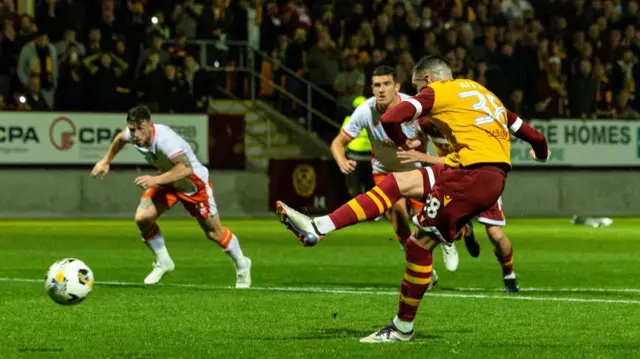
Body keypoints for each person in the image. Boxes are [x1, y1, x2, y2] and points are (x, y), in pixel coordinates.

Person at [276, 55, 549, 342]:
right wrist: (540, 155)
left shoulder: (439, 90)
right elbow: (537, 139)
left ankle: (402, 328)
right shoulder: (485, 94)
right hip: (475, 172)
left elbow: (391, 118)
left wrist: (402, 141)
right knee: (397, 183)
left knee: (418, 246)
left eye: (419, 87)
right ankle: (319, 227)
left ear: (429, 80)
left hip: (470, 175)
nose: (420, 93)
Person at [91, 106, 252, 288]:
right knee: (143, 218)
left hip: (192, 184)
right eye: (132, 129)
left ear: (150, 125)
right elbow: (120, 139)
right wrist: (106, 161)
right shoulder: (133, 134)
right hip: (168, 181)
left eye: (140, 129)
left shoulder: (165, 140)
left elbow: (185, 168)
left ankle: (242, 264)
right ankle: (164, 261)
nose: (135, 134)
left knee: (214, 233)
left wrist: (155, 179)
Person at [331, 65, 459, 272]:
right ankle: (420, 267)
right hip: (385, 172)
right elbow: (337, 142)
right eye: (377, 85)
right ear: (371, 89)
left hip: (416, 170)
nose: (381, 89)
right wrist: (341, 161)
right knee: (399, 216)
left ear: (396, 87)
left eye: (386, 84)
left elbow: (434, 133)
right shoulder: (365, 111)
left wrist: (423, 150)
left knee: (427, 222)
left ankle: (449, 239)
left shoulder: (412, 106)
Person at [397, 117, 518, 292]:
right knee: (444, 225)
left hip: (482, 177)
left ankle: (509, 275)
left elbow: (461, 159)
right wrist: (413, 142)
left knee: (496, 235)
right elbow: (419, 138)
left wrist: (422, 156)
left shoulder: (465, 120)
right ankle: (462, 233)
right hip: (454, 180)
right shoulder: (425, 121)